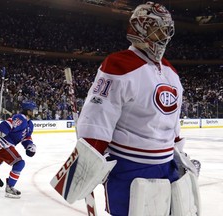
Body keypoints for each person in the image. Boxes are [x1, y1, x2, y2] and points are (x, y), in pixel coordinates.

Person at [71, 2, 200, 215]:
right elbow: (98, 119)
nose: (164, 35)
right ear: (140, 28)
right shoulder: (118, 65)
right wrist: (89, 158)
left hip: (167, 166)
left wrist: (180, 156)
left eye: (166, 30)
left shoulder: (171, 72)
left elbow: (172, 122)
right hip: (129, 167)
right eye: (157, 29)